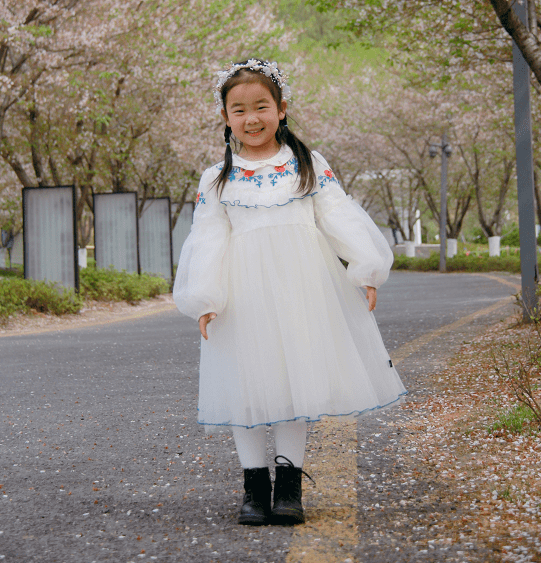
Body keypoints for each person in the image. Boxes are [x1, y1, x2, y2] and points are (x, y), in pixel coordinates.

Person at [173, 58, 406, 526]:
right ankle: (253, 487)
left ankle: (289, 487)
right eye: (239, 110)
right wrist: (204, 297)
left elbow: (338, 215)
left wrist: (365, 266)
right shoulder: (216, 178)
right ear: (225, 117)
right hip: (242, 295)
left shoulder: (307, 164)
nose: (251, 118)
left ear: (281, 109)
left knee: (294, 380)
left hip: (303, 288)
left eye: (261, 106)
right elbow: (208, 237)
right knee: (246, 382)